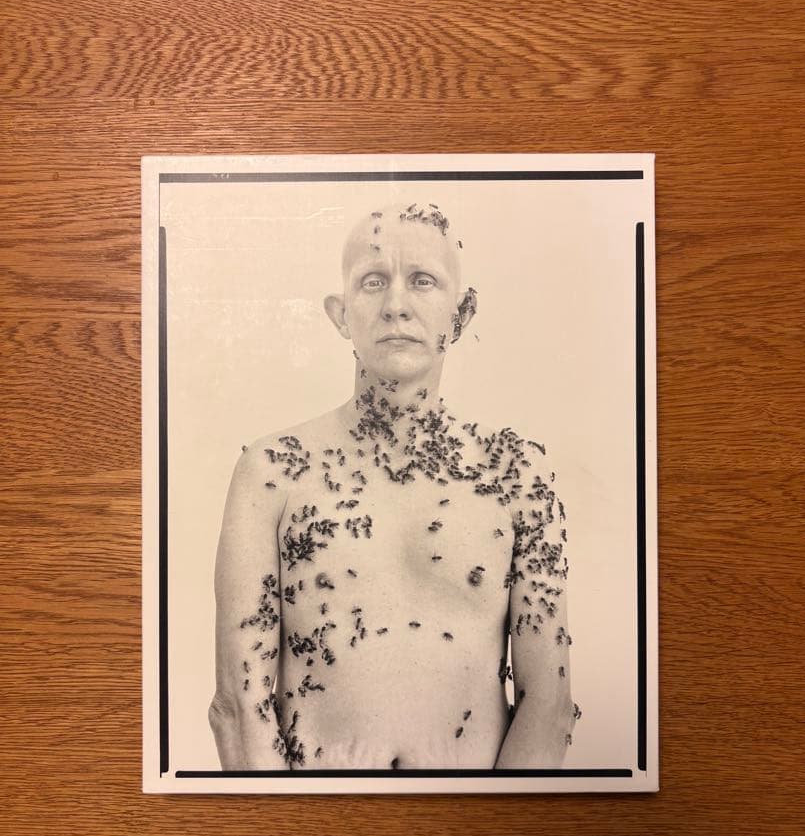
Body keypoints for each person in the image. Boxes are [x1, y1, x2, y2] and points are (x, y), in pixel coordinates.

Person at [209, 201, 578, 771]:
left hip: (474, 818)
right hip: (317, 811)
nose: (396, 305)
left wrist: (495, 823)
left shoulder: (517, 475)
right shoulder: (273, 472)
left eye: (423, 281)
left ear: (462, 313)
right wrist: (287, 823)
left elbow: (548, 707)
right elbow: (239, 707)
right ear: (340, 314)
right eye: (373, 281)